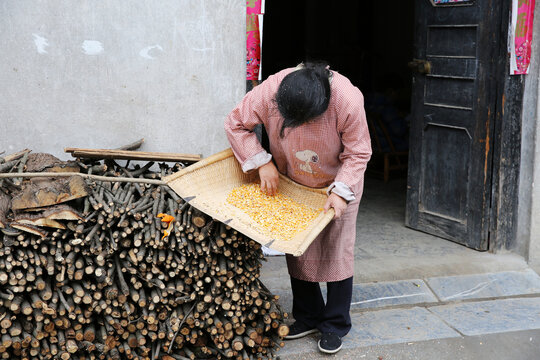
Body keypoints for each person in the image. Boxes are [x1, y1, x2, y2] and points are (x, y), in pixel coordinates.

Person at [224, 62, 371, 354]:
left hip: (338, 181)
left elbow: (358, 152)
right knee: (298, 246)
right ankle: (308, 315)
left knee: (336, 248)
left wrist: (342, 192)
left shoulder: (347, 99)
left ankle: (335, 323)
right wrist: (262, 161)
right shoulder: (270, 90)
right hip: (291, 179)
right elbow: (235, 122)